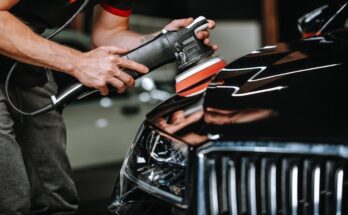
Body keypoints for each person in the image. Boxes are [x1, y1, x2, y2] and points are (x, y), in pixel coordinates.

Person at [0, 0, 217, 214]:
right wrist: (78, 62)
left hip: (22, 58)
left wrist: (163, 41)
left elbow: (108, 33)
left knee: (55, 195)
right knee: (11, 199)